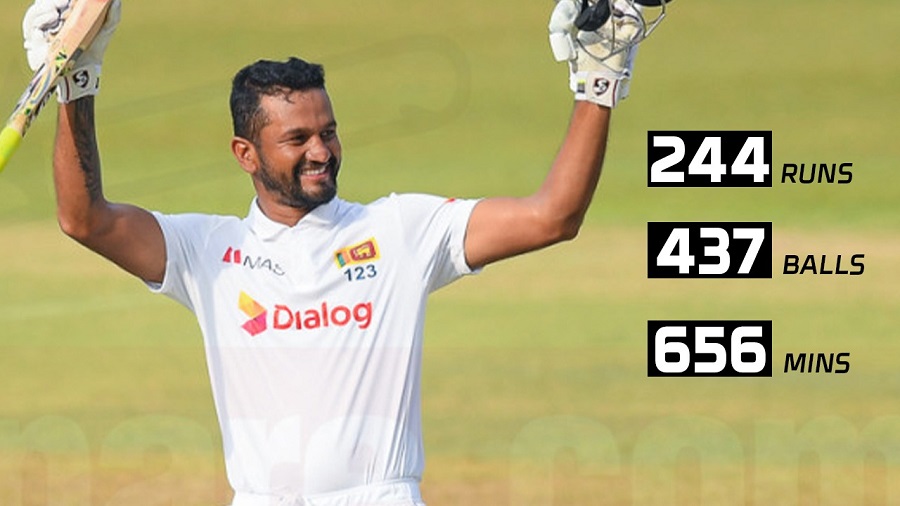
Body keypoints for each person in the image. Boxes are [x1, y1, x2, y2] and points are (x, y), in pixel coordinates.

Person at [22, 0, 663, 504]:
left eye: (328, 132)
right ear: (246, 154)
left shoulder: (400, 231)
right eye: (297, 139)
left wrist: (598, 81)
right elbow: (85, 219)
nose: (321, 152)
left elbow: (554, 216)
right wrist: (78, 84)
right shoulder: (208, 251)